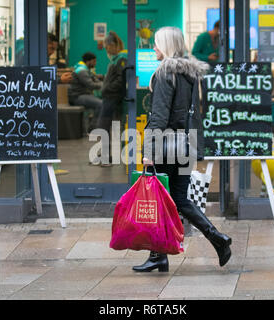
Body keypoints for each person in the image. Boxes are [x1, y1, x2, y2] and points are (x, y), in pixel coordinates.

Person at [133, 26, 232, 273]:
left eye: (156, 44)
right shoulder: (189, 74)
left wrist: (149, 151)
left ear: (165, 45)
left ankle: (162, 255)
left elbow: (159, 117)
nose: (153, 48)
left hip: (167, 146)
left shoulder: (165, 73)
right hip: (185, 145)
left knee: (161, 199)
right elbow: (193, 115)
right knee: (178, 200)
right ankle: (214, 240)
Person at [95, 31, 128, 167]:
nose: (106, 49)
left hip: (113, 98)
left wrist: (107, 88)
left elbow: (120, 80)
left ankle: (106, 158)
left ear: (113, 45)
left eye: (107, 46)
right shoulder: (116, 59)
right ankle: (104, 155)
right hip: (109, 97)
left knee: (104, 127)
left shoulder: (121, 59)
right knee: (105, 127)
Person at [69, 52, 103, 133]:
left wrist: (102, 83)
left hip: (83, 95)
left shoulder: (85, 69)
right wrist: (103, 85)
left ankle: (94, 126)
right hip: (77, 97)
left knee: (101, 102)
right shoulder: (82, 71)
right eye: (94, 61)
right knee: (101, 104)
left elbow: (95, 79)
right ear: (89, 61)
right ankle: (92, 129)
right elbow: (91, 85)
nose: (95, 63)